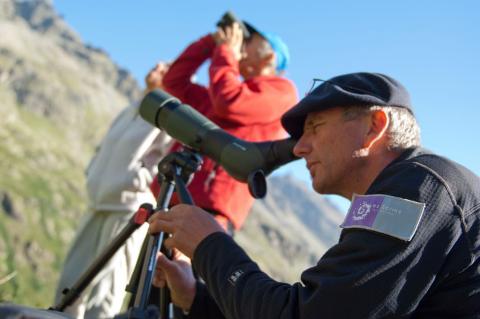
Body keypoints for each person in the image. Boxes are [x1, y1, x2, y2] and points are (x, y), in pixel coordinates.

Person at [148, 72, 480, 318]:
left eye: (315, 128)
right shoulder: (409, 190)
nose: (300, 147)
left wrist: (210, 245)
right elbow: (320, 304)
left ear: (374, 126)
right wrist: (195, 296)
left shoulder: (417, 187)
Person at [151, 21, 298, 231]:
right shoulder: (222, 90)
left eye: (248, 42)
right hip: (171, 198)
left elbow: (228, 102)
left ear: (269, 58)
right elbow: (174, 81)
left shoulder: (283, 91)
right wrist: (209, 43)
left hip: (208, 211)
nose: (240, 44)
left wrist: (225, 52)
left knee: (179, 265)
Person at [54, 62, 173, 319]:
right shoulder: (132, 107)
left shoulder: (168, 115)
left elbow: (166, 160)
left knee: (105, 293)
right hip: (98, 203)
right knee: (69, 286)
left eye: (168, 68)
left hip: (129, 210)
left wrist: (139, 179)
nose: (159, 66)